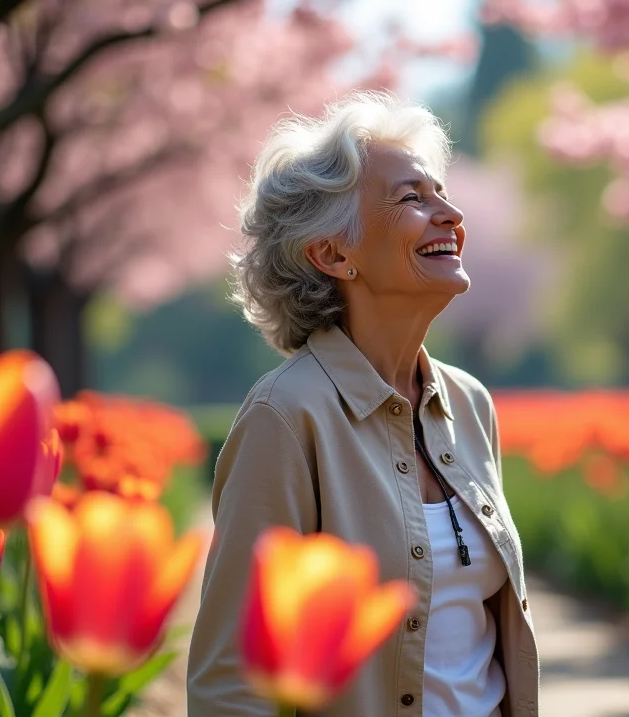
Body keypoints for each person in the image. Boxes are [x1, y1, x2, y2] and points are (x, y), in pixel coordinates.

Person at [186, 91, 540, 717]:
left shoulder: (469, 404)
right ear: (332, 253)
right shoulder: (286, 417)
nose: (451, 213)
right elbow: (231, 681)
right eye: (413, 198)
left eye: (441, 192)